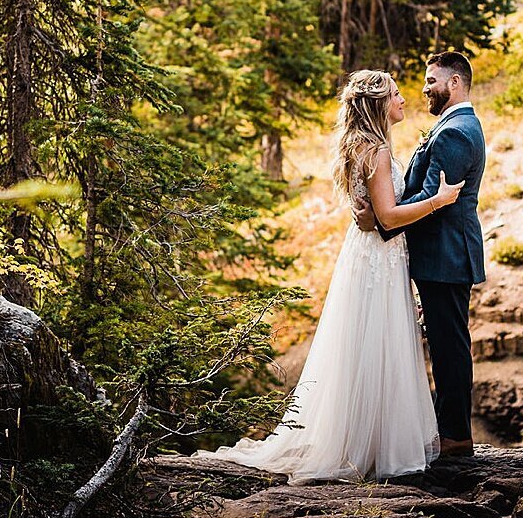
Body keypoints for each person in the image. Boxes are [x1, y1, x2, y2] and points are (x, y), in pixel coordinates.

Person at [198, 70, 462, 482]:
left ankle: (366, 441)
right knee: (379, 344)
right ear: (379, 104)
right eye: (395, 94)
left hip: (371, 255)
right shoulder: (374, 151)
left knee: (368, 344)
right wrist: (439, 201)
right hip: (379, 257)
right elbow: (389, 216)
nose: (404, 100)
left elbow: (376, 212)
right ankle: (374, 448)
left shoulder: (362, 146)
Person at [357, 51, 486, 458]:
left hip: (446, 256)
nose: (424, 88)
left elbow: (434, 196)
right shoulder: (452, 126)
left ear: (454, 83)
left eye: (432, 80)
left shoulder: (455, 132)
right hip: (438, 254)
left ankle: (456, 436)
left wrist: (381, 220)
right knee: (446, 343)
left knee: (449, 346)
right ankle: (448, 430)